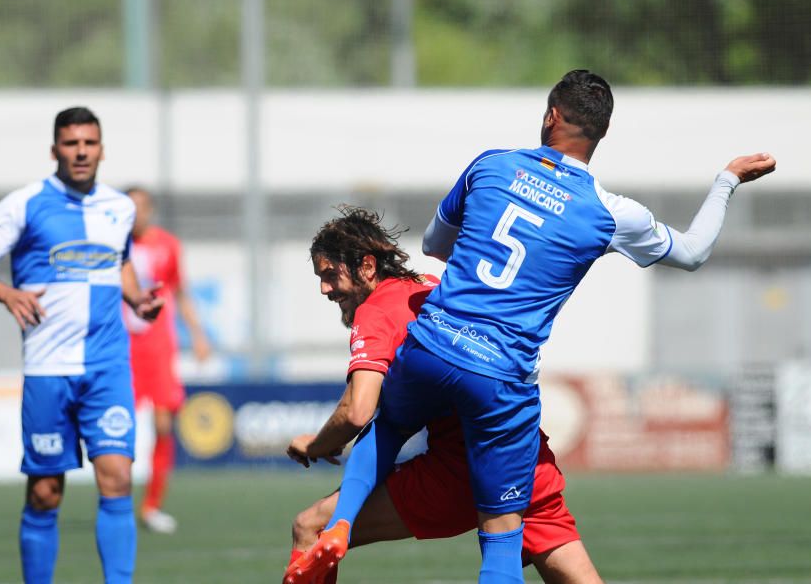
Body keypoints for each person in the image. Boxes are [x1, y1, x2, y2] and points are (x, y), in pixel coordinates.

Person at [295, 70, 777, 583]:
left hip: (433, 343)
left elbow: (435, 246)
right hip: (500, 375)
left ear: (551, 115)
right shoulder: (610, 213)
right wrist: (726, 181)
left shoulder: (492, 165)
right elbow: (693, 252)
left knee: (388, 425)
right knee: (502, 534)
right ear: (601, 134)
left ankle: (341, 524)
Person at [282, 207, 603, 584]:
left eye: (330, 275)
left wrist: (318, 444)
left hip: (459, 470)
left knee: (312, 527)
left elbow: (358, 410)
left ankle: (340, 525)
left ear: (367, 267)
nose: (324, 289)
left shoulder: (376, 312)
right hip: (524, 451)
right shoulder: (432, 286)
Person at [0, 107, 163, 584]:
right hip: (48, 369)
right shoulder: (23, 204)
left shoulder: (119, 208)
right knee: (46, 492)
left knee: (116, 480)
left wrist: (136, 298)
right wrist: (8, 294)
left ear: (102, 150)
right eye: (71, 143)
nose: (81, 151)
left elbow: (119, 262)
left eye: (89, 142)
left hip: (108, 367)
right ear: (55, 150)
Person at [122, 187, 211, 534]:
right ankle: (115, 500)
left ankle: (151, 506)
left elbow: (179, 292)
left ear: (151, 210)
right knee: (119, 427)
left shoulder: (167, 245)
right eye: (130, 207)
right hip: (123, 347)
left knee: (162, 425)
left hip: (158, 348)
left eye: (142, 207)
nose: (136, 214)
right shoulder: (113, 244)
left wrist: (198, 335)